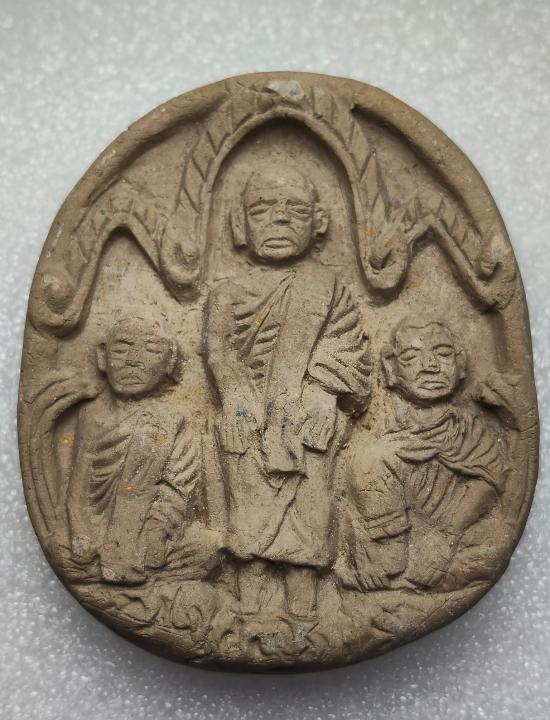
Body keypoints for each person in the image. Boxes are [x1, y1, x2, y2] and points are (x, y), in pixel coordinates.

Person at [204, 163, 370, 620]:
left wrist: (322, 392)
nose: (279, 218)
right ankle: (250, 611)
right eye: (262, 209)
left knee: (308, 520)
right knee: (249, 520)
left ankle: (303, 612)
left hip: (307, 421)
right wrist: (236, 397)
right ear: (240, 224)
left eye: (294, 209)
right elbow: (218, 352)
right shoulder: (227, 293)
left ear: (318, 222)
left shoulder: (328, 288)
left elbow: (348, 346)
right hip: (248, 422)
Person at [342, 318, 507, 591]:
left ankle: (416, 577)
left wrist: (446, 533)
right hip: (392, 539)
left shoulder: (469, 430)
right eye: (411, 357)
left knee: (492, 548)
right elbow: (355, 505)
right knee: (369, 460)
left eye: (443, 354)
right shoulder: (382, 429)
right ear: (391, 368)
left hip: (450, 529)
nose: (430, 365)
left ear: (461, 364)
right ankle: (389, 561)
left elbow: (489, 481)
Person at [66, 317, 206, 585]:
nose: (133, 361)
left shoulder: (171, 421)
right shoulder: (91, 417)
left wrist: (157, 528)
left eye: (151, 350)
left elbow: (179, 488)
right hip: (92, 530)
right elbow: (78, 490)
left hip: (153, 531)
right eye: (121, 349)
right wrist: (81, 532)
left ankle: (126, 554)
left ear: (170, 362)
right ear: (102, 356)